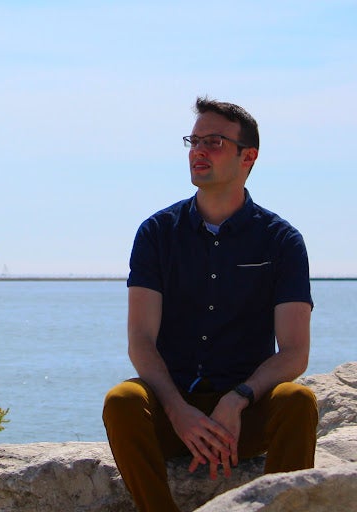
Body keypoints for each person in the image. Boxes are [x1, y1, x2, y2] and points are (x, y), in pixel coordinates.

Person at [102, 97, 318, 512]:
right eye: (194, 141)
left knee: (298, 402)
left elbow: (294, 352)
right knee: (122, 402)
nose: (198, 151)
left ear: (248, 156)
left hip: (245, 412)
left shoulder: (282, 241)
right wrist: (177, 410)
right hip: (172, 408)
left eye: (214, 142)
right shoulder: (156, 233)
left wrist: (238, 398)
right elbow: (140, 340)